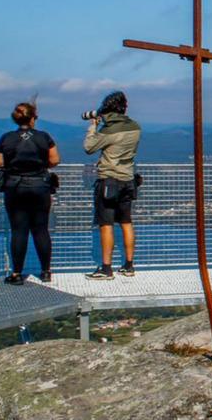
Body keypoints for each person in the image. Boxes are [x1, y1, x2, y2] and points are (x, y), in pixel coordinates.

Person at [0, 102, 60, 284]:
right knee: (41, 229)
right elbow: (55, 159)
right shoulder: (43, 137)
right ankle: (46, 271)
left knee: (19, 230)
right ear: (33, 118)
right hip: (40, 187)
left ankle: (16, 273)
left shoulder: (7, 138)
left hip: (15, 187)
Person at [83, 90, 141, 280]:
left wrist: (93, 127)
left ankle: (106, 268)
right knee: (126, 222)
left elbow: (89, 147)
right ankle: (129, 265)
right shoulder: (135, 127)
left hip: (109, 180)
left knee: (106, 224)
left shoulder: (109, 131)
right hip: (128, 180)